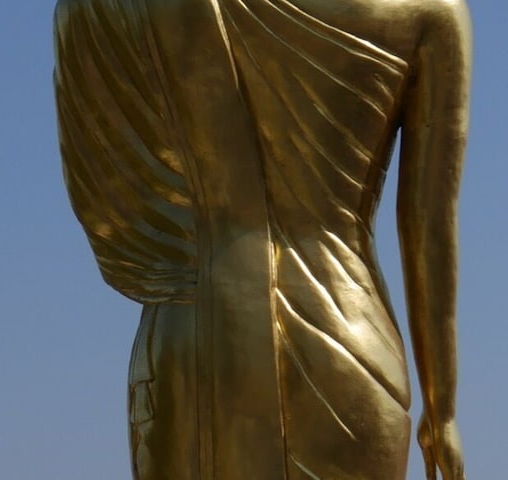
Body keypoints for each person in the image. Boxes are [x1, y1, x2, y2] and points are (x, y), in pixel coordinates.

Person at [54, 0, 470, 478]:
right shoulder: (430, 12)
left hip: (191, 335)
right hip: (345, 339)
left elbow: (109, 186)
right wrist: (443, 407)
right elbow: (429, 226)